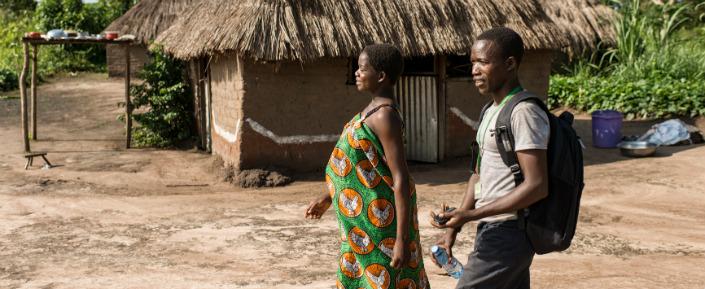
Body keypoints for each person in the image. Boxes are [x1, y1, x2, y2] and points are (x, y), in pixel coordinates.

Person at [430, 27, 550, 289]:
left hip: (510, 233)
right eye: (472, 62)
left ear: (509, 64)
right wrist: (453, 229)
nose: (474, 70)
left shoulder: (524, 112)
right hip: (491, 229)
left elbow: (537, 185)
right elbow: (478, 176)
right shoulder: (490, 111)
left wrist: (471, 214)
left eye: (483, 62)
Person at [305, 43, 430, 289]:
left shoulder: (385, 116)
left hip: (379, 224)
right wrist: (328, 197)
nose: (357, 73)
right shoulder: (370, 111)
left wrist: (401, 240)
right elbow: (361, 167)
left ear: (381, 76)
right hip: (359, 225)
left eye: (362, 69)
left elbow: (400, 178)